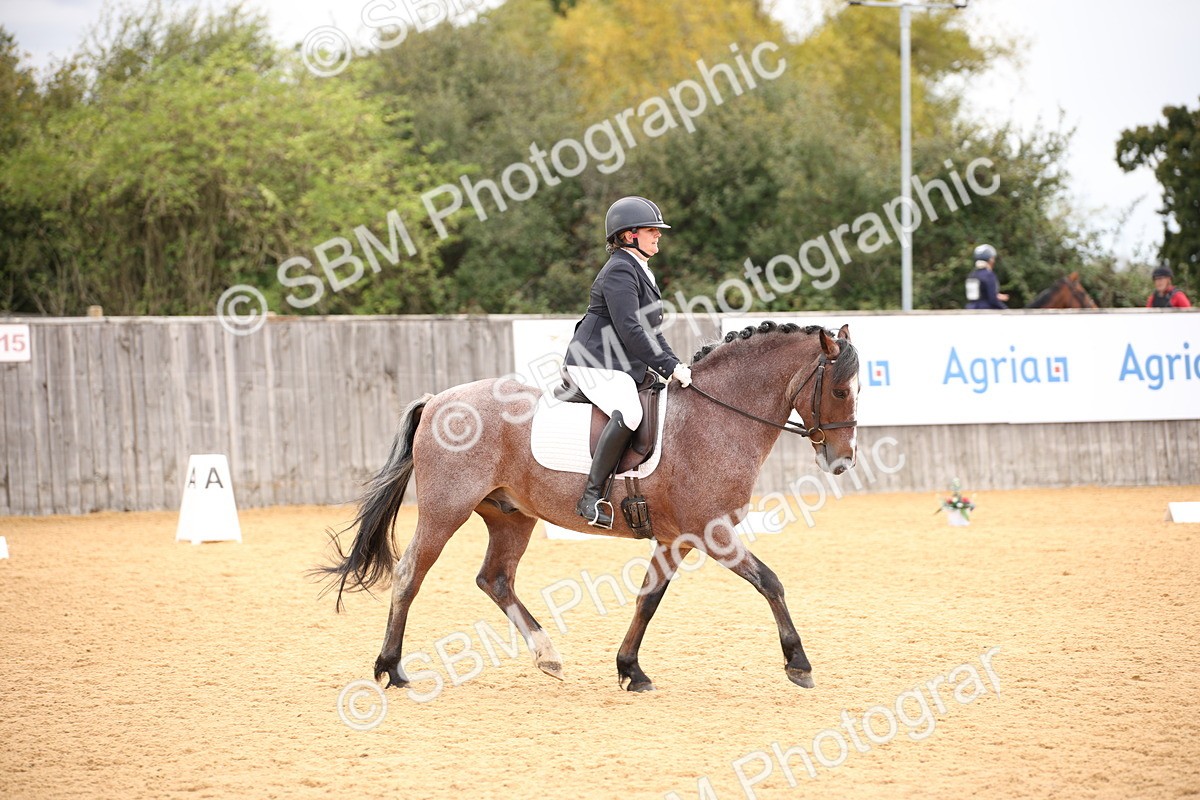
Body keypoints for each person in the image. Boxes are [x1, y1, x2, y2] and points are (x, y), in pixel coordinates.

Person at [562, 196, 692, 528]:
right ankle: (591, 497)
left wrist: (675, 365)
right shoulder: (621, 268)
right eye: (652, 230)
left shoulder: (639, 269)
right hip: (594, 363)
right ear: (629, 235)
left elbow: (651, 329)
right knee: (630, 412)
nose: (658, 235)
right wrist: (665, 367)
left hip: (617, 365)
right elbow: (630, 329)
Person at [964, 243, 1009, 309]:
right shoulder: (988, 275)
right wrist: (1006, 310)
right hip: (985, 311)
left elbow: (978, 295)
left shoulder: (972, 275)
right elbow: (992, 300)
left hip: (971, 309)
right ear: (990, 260)